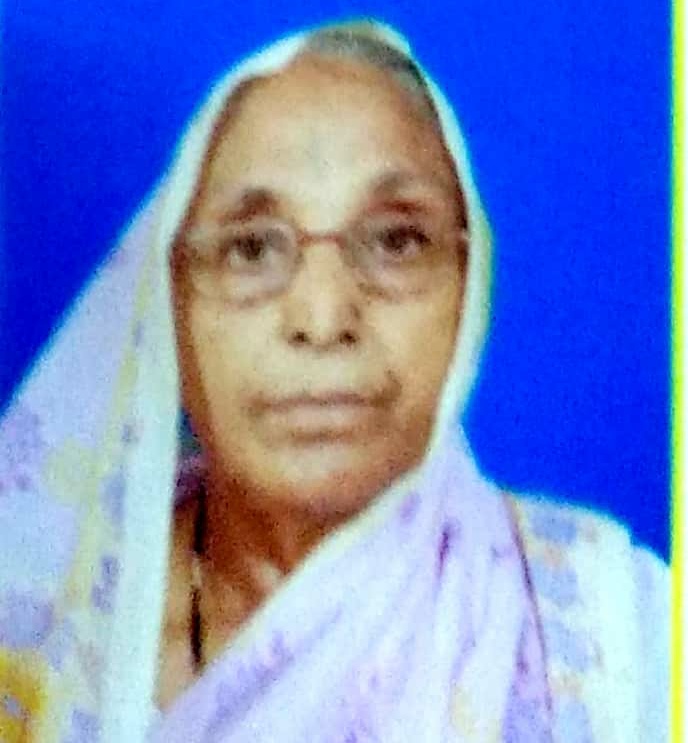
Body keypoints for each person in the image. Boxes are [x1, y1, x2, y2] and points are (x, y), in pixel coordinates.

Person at [0, 20, 668, 743]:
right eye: (251, 248)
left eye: (396, 240)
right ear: (168, 302)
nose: (322, 317)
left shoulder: (617, 637)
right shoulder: (41, 618)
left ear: (470, 285)